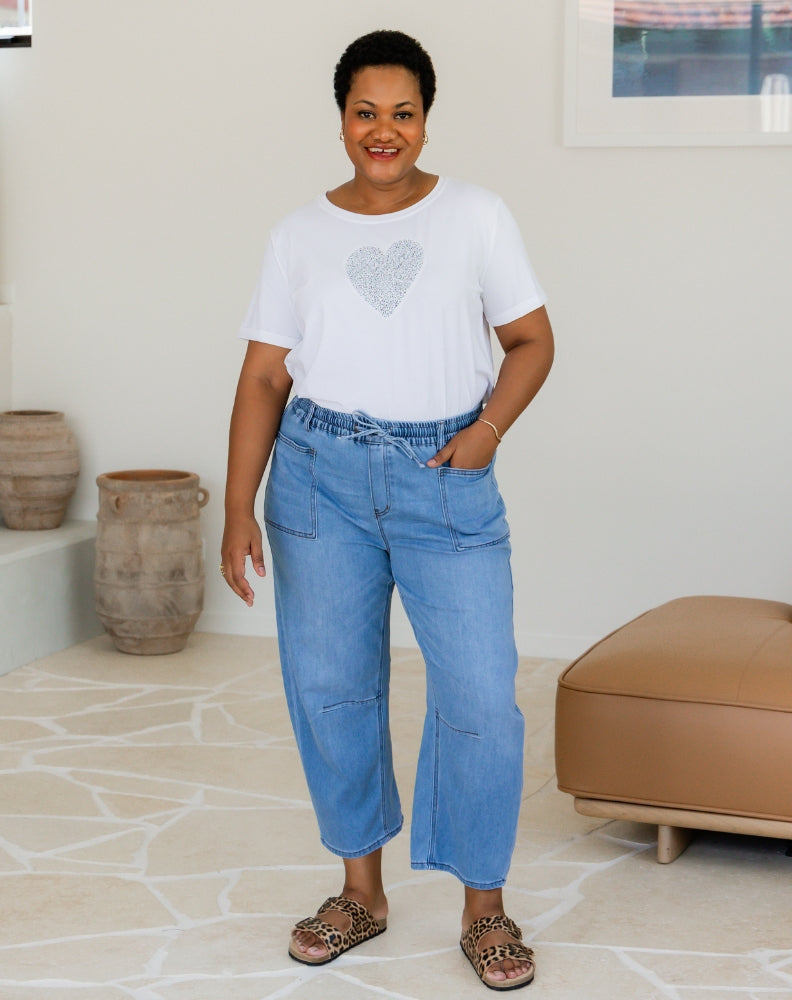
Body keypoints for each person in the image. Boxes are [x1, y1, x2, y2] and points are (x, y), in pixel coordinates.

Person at [221, 29, 554, 991]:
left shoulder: (477, 216)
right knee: (332, 687)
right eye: (365, 112)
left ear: (425, 120)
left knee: (481, 695)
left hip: (444, 474)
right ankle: (360, 892)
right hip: (317, 479)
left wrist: (486, 431)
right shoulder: (298, 235)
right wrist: (239, 505)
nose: (383, 130)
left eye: (402, 112)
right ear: (340, 120)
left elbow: (532, 341)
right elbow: (264, 377)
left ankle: (484, 908)